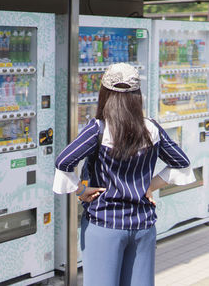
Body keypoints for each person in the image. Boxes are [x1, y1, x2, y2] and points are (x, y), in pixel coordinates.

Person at [53, 63, 196, 286]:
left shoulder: (97, 129)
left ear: (105, 94)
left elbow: (63, 161)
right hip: (143, 225)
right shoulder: (151, 128)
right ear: (137, 96)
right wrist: (150, 186)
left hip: (104, 224)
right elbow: (182, 163)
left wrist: (81, 190)